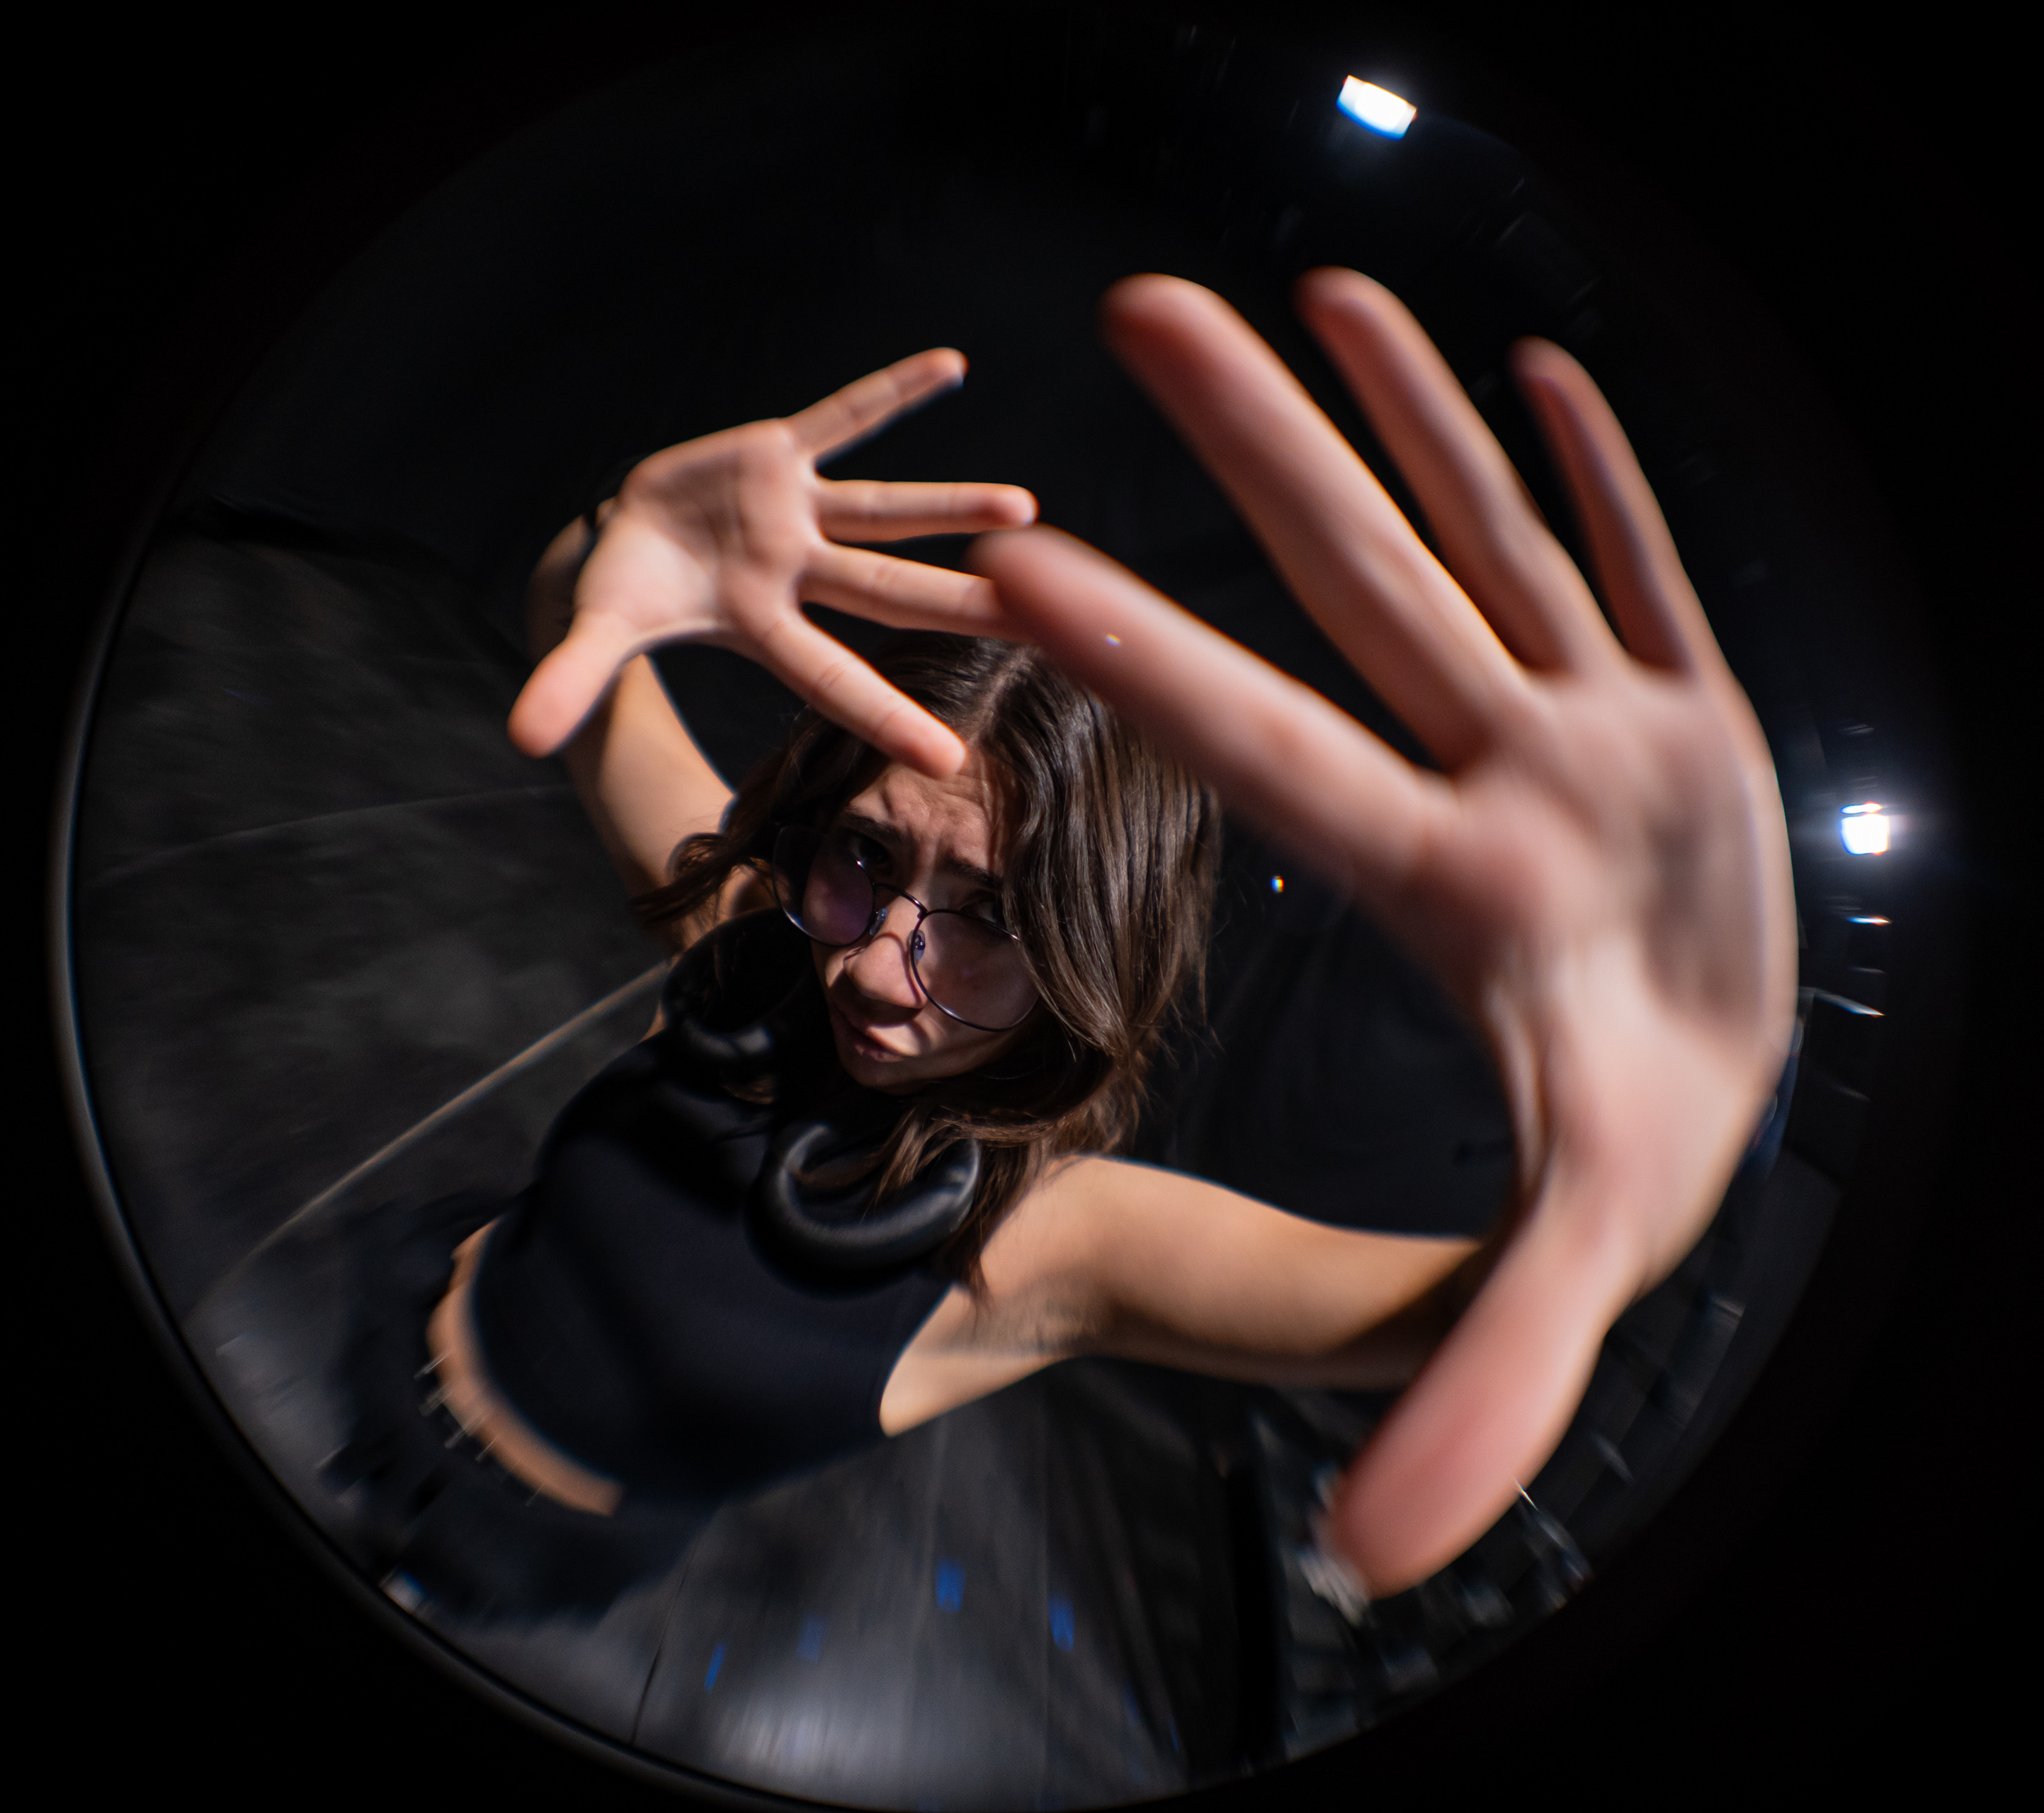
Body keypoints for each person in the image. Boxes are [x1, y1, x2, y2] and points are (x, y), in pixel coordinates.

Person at [418, 266, 1790, 1617]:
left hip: (522, 1566)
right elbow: (590, 658)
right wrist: (620, 545)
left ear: (1085, 966)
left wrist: (1614, 1211)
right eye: (867, 856)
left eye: (993, 919)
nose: (878, 968)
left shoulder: (1063, 1244)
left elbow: (1456, 1312)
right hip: (394, 1321)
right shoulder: (749, 943)